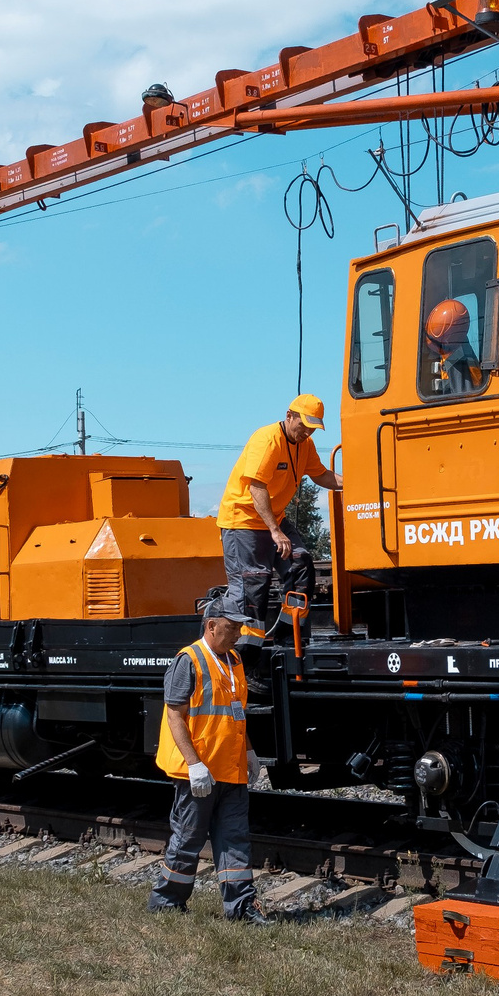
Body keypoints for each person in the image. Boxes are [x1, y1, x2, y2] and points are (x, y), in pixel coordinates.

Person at [150, 587, 266, 921]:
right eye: (232, 627)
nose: (239, 633)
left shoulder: (235, 661)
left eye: (240, 627)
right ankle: (167, 901)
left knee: (234, 841)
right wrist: (194, 764)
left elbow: (236, 712)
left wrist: (249, 752)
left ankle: (242, 907)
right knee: (188, 839)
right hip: (199, 772)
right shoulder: (189, 660)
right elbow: (175, 715)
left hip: (230, 769)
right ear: (211, 626)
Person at [216, 395, 343, 648]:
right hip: (243, 520)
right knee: (253, 583)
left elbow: (322, 475)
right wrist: (275, 531)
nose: (306, 432)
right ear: (289, 416)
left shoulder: (304, 445)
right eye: (303, 425)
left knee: (300, 563)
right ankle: (245, 655)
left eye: (312, 428)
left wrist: (360, 484)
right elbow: (256, 487)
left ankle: (289, 637)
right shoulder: (267, 440)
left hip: (273, 518)